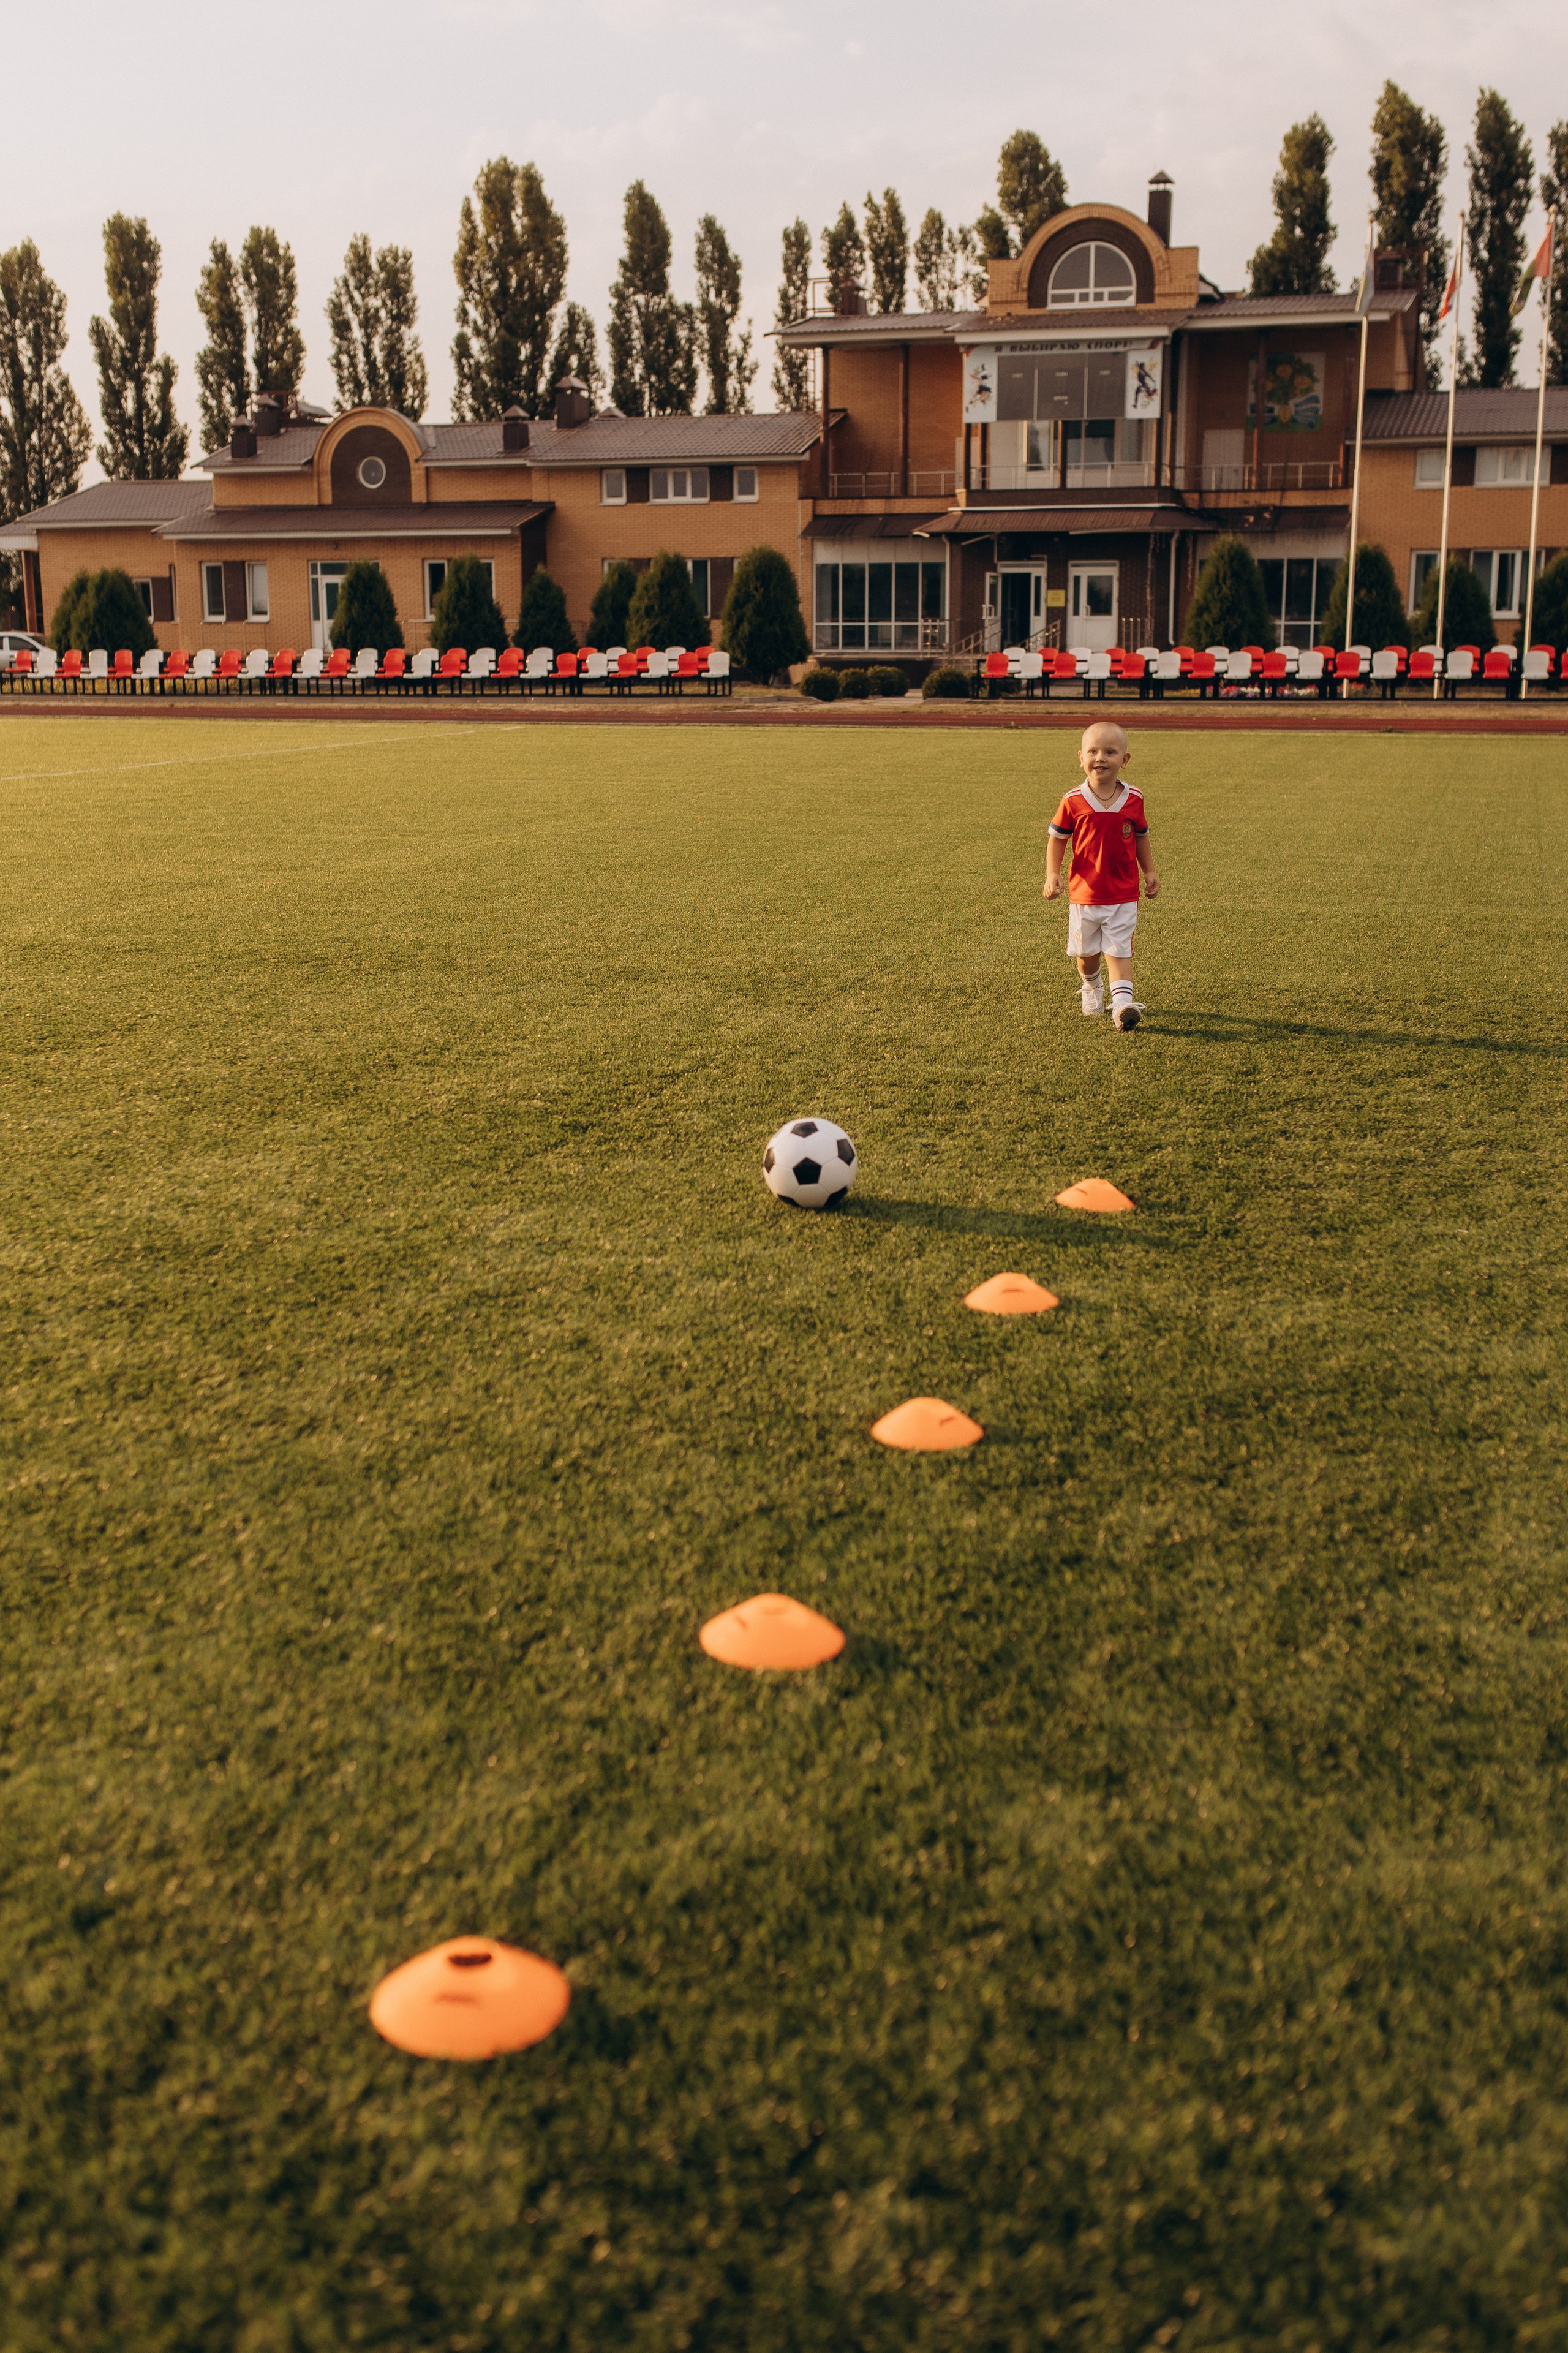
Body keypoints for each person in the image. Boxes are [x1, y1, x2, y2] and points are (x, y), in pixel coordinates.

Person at [1042, 720, 1160, 1030]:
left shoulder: (1135, 798)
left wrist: (1149, 871)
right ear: (1080, 757)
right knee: (1087, 954)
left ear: (1125, 759)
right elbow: (1057, 839)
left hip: (1123, 894)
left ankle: (1122, 1007)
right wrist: (1052, 874)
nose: (1100, 758)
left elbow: (1141, 836)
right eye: (1093, 751)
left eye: (1110, 752)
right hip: (1084, 894)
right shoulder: (1073, 799)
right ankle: (1092, 984)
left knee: (1119, 951)